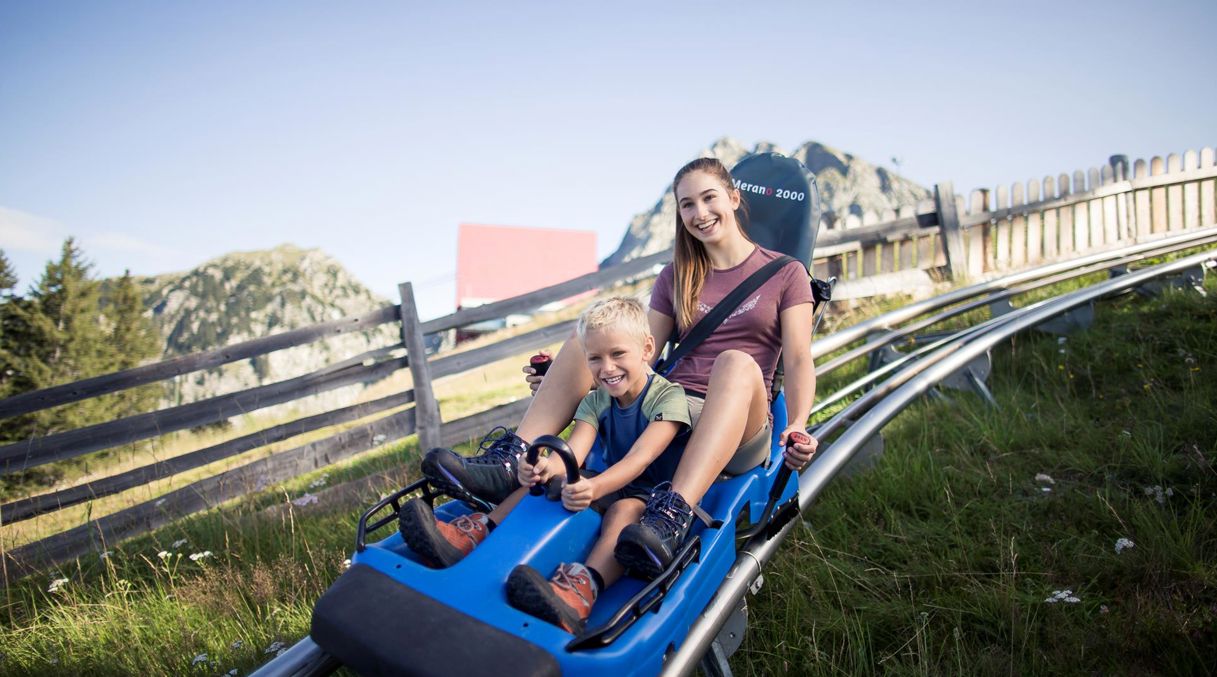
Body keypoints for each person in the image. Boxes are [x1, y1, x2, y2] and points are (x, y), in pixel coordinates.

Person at [423, 156, 819, 582]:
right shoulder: (677, 276)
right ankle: (510, 460)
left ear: (734, 198)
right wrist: (569, 376)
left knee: (735, 362)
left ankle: (673, 513)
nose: (700, 214)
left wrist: (797, 424)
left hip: (738, 419)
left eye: (709, 198)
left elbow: (797, 358)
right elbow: (637, 353)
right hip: (666, 409)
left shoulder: (786, 273)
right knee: (586, 338)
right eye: (688, 205)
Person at [399, 298, 690, 633]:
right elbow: (576, 447)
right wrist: (541, 468)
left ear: (646, 348)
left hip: (648, 496)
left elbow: (642, 458)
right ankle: (476, 531)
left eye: (617, 354)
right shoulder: (597, 400)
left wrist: (594, 487)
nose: (606, 367)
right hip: (600, 479)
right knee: (544, 484)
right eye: (595, 358)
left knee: (624, 510)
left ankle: (582, 589)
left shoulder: (669, 397)